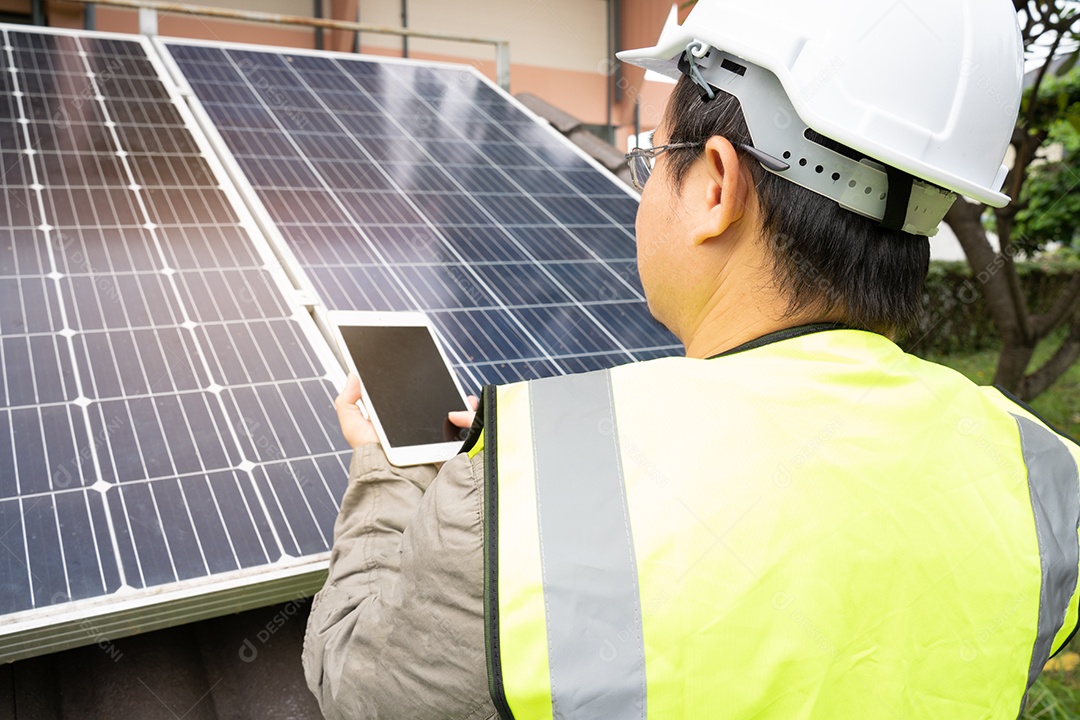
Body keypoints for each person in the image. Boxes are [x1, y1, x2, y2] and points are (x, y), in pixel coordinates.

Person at [303, 0, 1080, 717]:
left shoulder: (534, 491)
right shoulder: (1047, 478)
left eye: (651, 160)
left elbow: (362, 689)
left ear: (715, 185)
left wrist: (391, 471)